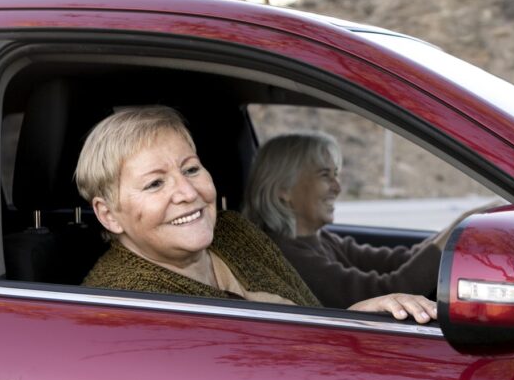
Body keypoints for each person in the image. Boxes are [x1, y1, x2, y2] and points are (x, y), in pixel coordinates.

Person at [75, 106, 436, 323]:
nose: (187, 193)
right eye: (155, 184)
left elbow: (305, 315)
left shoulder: (233, 231)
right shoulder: (124, 302)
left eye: (191, 169)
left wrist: (356, 317)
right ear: (109, 215)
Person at [245, 131, 489, 309]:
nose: (337, 187)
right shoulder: (286, 256)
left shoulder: (320, 240)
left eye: (336, 175)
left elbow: (399, 261)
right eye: (324, 176)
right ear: (284, 189)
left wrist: (462, 223)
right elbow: (388, 290)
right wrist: (462, 228)